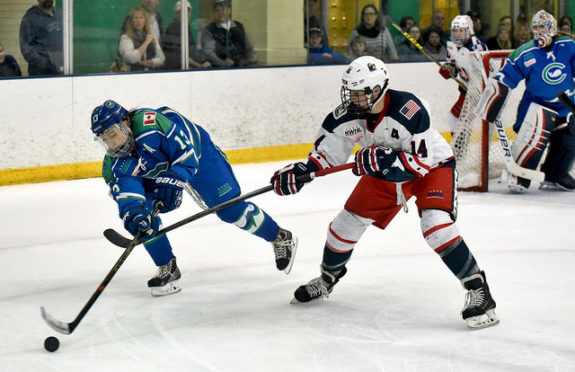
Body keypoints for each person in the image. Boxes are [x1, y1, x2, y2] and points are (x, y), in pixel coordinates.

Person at [270, 56, 498, 330]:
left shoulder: (409, 109)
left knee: (436, 226)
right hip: (385, 174)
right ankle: (327, 279)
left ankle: (478, 288)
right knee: (344, 225)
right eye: (349, 91)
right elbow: (325, 155)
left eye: (358, 92)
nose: (351, 98)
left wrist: (385, 160)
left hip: (430, 168)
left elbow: (419, 163)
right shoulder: (344, 117)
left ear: (378, 89)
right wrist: (301, 171)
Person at [90, 100, 298, 296]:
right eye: (104, 139)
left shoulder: (150, 124)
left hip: (199, 155)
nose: (111, 143)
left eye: (112, 134)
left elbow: (186, 154)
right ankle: (167, 267)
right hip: (158, 170)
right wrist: (133, 212)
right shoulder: (114, 164)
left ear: (125, 123)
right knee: (145, 219)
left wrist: (175, 181)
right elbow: (128, 193)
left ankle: (280, 237)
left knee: (229, 209)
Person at [477, 10, 575, 193]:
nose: (539, 31)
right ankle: (519, 176)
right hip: (536, 106)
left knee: (570, 136)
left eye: (542, 27)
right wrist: (495, 97)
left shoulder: (569, 46)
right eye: (536, 27)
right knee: (537, 129)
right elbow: (504, 77)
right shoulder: (525, 53)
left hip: (565, 106)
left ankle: (556, 175)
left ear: (552, 28)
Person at [439, 15, 487, 134]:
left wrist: (477, 88)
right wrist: (448, 69)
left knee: (456, 119)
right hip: (466, 92)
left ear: (467, 31)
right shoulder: (452, 46)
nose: (458, 34)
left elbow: (485, 74)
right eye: (455, 31)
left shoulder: (476, 48)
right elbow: (454, 65)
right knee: (455, 119)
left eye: (461, 31)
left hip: (478, 93)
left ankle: (459, 150)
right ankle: (460, 149)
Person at [201, 0, 258, 67]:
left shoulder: (239, 26)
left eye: (223, 9)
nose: (220, 13)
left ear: (229, 10)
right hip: (220, 69)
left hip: (243, 67)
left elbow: (249, 48)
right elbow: (208, 53)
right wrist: (223, 63)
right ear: (213, 13)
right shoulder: (209, 30)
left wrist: (252, 58)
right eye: (217, 10)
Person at [163, 0, 211, 70]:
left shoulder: (186, 27)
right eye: (182, 12)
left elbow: (192, 50)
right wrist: (198, 65)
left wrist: (202, 61)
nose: (186, 14)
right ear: (176, 14)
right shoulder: (172, 29)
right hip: (177, 69)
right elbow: (177, 56)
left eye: (188, 11)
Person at [19, 0, 63, 76]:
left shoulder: (61, 13)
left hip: (62, 69)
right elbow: (26, 49)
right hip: (41, 72)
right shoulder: (30, 18)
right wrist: (44, 63)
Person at [118, 7, 166, 72]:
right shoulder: (126, 38)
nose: (139, 21)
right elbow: (130, 58)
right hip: (133, 75)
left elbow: (161, 58)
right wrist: (146, 42)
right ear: (131, 21)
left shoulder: (151, 37)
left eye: (141, 18)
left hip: (151, 74)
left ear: (145, 21)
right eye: (136, 18)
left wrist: (152, 62)